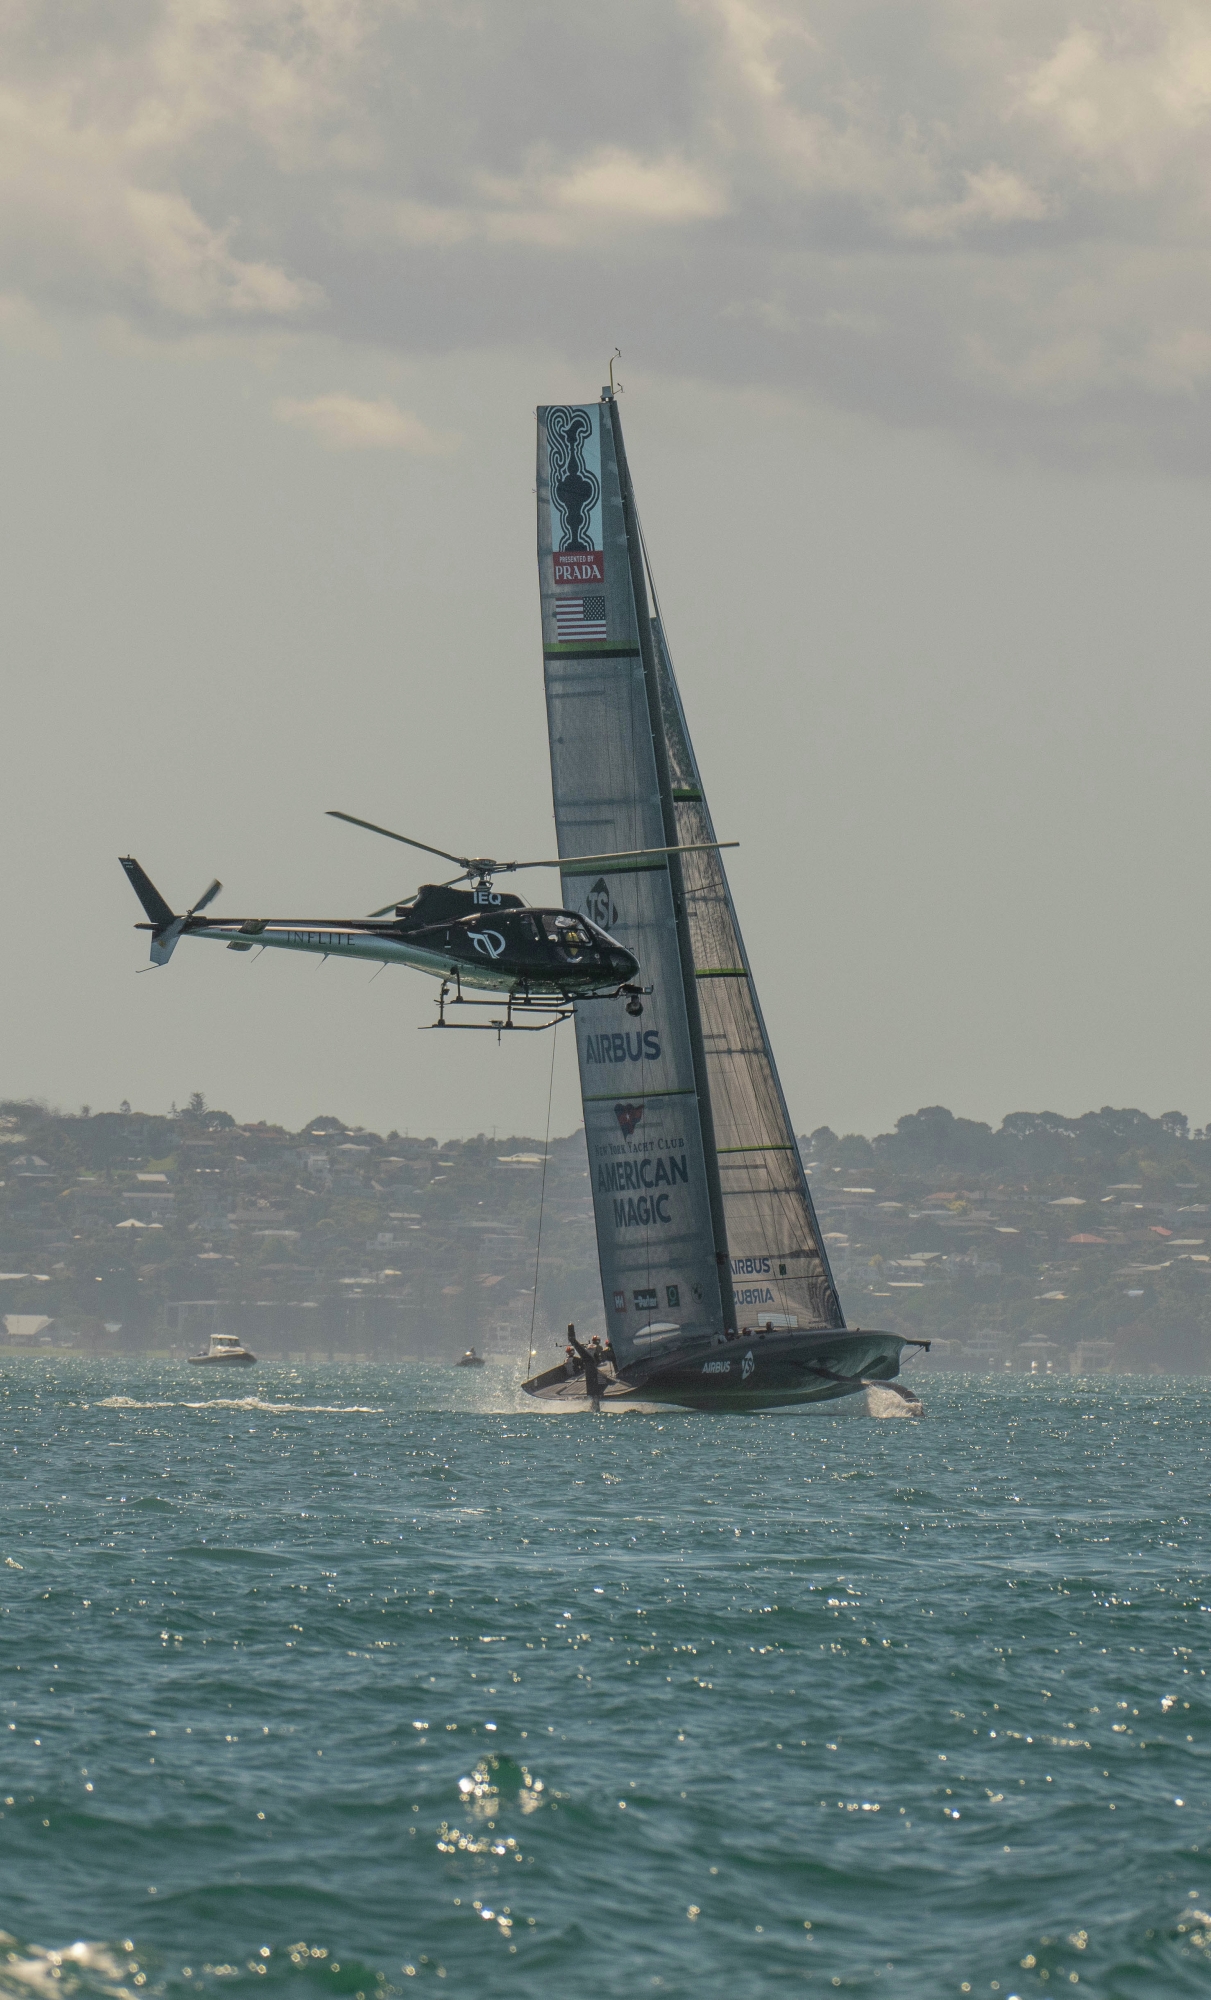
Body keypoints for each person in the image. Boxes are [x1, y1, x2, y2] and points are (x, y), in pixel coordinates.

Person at [567, 1324, 605, 1408]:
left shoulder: (588, 1346)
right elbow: (599, 1355)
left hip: (586, 1365)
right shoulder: (599, 1347)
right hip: (593, 1364)